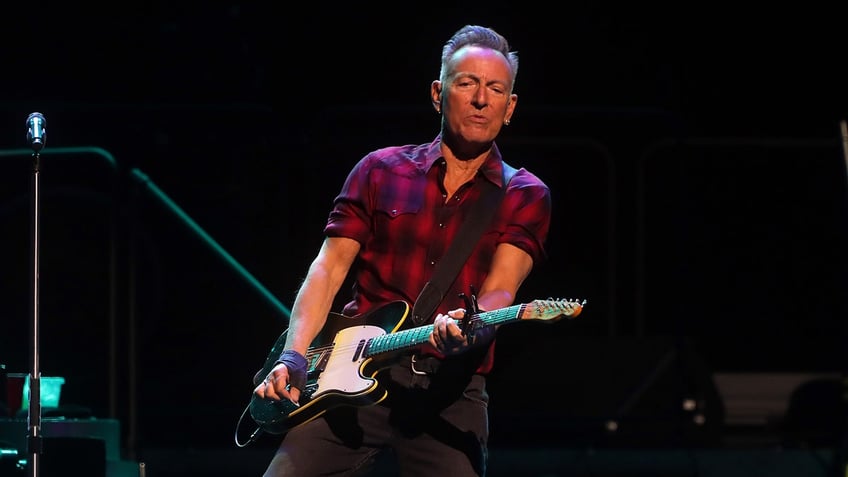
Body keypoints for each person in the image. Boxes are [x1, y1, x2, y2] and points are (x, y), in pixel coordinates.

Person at [253, 24, 552, 476]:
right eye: (466, 83)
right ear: (438, 93)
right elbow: (328, 268)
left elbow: (501, 291)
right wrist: (293, 355)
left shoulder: (525, 193)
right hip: (349, 375)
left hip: (450, 393)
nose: (480, 99)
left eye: (495, 89)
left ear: (509, 107)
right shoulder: (380, 169)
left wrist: (472, 326)